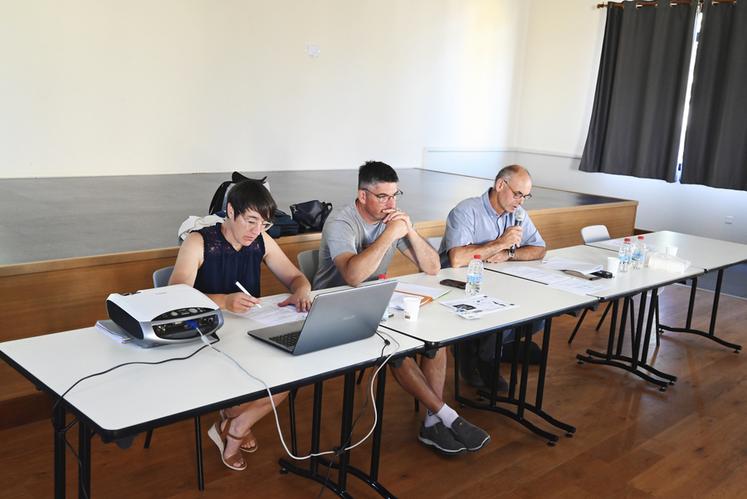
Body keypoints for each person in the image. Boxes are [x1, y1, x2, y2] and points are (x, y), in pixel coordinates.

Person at [314, 160, 491, 455]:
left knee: (435, 341)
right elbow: (353, 276)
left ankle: (433, 422)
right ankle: (449, 417)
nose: (390, 203)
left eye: (395, 195)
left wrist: (407, 231)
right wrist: (389, 235)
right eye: (383, 196)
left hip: (375, 303)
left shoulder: (393, 221)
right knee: (397, 348)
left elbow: (433, 267)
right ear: (362, 196)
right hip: (333, 307)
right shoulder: (341, 222)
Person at [170, 180, 312, 471]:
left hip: (249, 332)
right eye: (250, 221)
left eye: (263, 223)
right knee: (251, 390)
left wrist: (301, 291)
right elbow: (175, 295)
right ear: (230, 212)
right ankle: (233, 422)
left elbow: (297, 278)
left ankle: (233, 429)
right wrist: (223, 301)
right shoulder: (199, 241)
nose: (256, 230)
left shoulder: (260, 240)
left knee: (291, 374)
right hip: (206, 336)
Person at [439, 164, 546, 389]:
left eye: (526, 196)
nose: (521, 202)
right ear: (500, 185)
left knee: (538, 316)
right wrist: (499, 243)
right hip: (459, 284)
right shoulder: (467, 210)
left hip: (497, 281)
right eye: (518, 194)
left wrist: (509, 253)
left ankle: (493, 347)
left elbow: (539, 248)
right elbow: (457, 258)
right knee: (500, 309)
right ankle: (479, 357)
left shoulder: (517, 214)